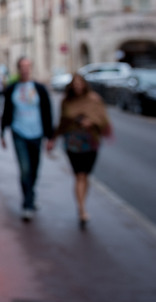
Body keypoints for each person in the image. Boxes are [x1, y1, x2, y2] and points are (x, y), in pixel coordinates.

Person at [47, 74, 112, 229]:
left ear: (84, 84)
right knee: (79, 175)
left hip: (91, 141)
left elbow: (102, 118)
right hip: (73, 142)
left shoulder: (94, 98)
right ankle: (81, 209)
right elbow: (62, 121)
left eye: (79, 83)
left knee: (85, 175)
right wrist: (53, 138)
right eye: (74, 84)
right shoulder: (66, 101)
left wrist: (92, 122)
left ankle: (82, 204)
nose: (77, 86)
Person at [0, 57, 54, 221]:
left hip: (36, 133)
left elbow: (47, 112)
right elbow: (6, 111)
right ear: (18, 68)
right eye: (22, 66)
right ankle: (27, 203)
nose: (25, 69)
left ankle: (31, 193)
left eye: (27, 66)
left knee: (35, 167)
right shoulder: (12, 88)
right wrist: (2, 132)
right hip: (19, 132)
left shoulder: (39, 88)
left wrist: (49, 136)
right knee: (24, 169)